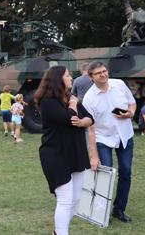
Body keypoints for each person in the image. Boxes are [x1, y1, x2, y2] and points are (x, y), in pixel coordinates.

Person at [36, 65, 96, 235]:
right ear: (58, 79)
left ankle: (58, 232)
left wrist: (84, 122)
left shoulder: (71, 98)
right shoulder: (48, 101)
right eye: (68, 76)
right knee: (65, 199)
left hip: (75, 153)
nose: (72, 78)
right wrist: (72, 104)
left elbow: (90, 118)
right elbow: (68, 119)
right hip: (55, 154)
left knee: (76, 200)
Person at [83, 61, 136, 223]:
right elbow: (90, 129)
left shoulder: (119, 84)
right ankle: (101, 212)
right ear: (91, 77)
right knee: (105, 175)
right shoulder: (89, 99)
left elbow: (132, 103)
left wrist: (130, 114)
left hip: (125, 136)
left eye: (105, 71)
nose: (103, 75)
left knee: (126, 172)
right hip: (103, 139)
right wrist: (93, 155)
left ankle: (119, 210)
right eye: (99, 73)